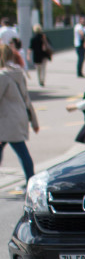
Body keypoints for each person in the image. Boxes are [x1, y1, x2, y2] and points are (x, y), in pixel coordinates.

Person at [0, 44, 40, 193]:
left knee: (22, 151)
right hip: (18, 117)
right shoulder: (18, 73)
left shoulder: (3, 76)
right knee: (22, 152)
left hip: (7, 121)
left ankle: (31, 181)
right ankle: (30, 180)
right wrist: (34, 121)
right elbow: (26, 98)